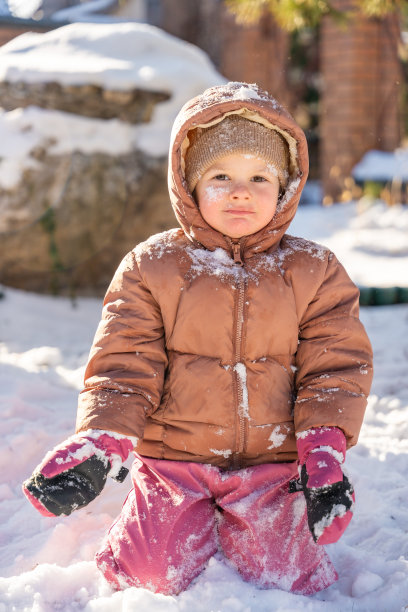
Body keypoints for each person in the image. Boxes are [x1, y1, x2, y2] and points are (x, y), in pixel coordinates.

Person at [23, 82, 373, 596]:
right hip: (173, 459)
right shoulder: (152, 266)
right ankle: (150, 515)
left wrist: (323, 445)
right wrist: (104, 436)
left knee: (288, 579)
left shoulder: (314, 269)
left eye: (259, 176)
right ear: (188, 184)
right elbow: (125, 363)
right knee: (148, 575)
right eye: (220, 175)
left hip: (271, 465)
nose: (240, 190)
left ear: (286, 186)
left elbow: (335, 366)